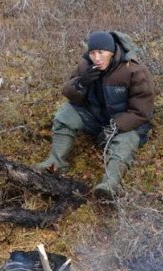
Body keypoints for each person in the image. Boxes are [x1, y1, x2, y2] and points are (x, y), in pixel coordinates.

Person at [34, 30, 155, 199]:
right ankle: (55, 162)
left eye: (101, 52)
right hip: (96, 117)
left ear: (112, 52)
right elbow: (68, 92)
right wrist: (81, 83)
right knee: (65, 114)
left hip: (125, 122)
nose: (96, 58)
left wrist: (116, 127)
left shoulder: (133, 70)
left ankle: (110, 183)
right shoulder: (85, 66)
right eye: (92, 53)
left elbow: (142, 111)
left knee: (126, 141)